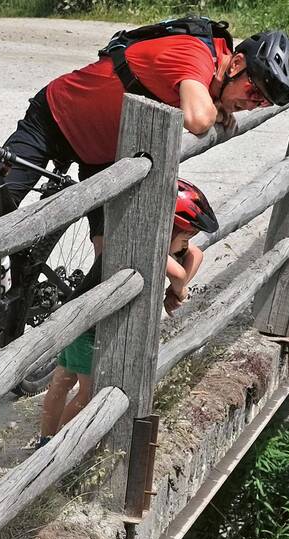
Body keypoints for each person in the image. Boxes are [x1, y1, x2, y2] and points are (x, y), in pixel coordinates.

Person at [0, 23, 289, 245]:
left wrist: (222, 101)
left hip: (104, 156)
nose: (254, 102)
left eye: (264, 102)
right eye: (255, 90)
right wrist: (219, 106)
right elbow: (199, 120)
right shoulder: (195, 54)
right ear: (236, 64)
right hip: (54, 119)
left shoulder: (215, 75)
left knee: (111, 258)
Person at [38, 178, 217, 444]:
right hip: (88, 324)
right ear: (168, 229)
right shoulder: (143, 242)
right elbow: (179, 274)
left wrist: (172, 290)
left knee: (61, 382)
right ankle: (56, 447)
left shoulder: (155, 238)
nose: (186, 245)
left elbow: (196, 255)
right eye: (185, 238)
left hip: (84, 316)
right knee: (87, 393)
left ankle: (46, 441)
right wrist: (177, 291)